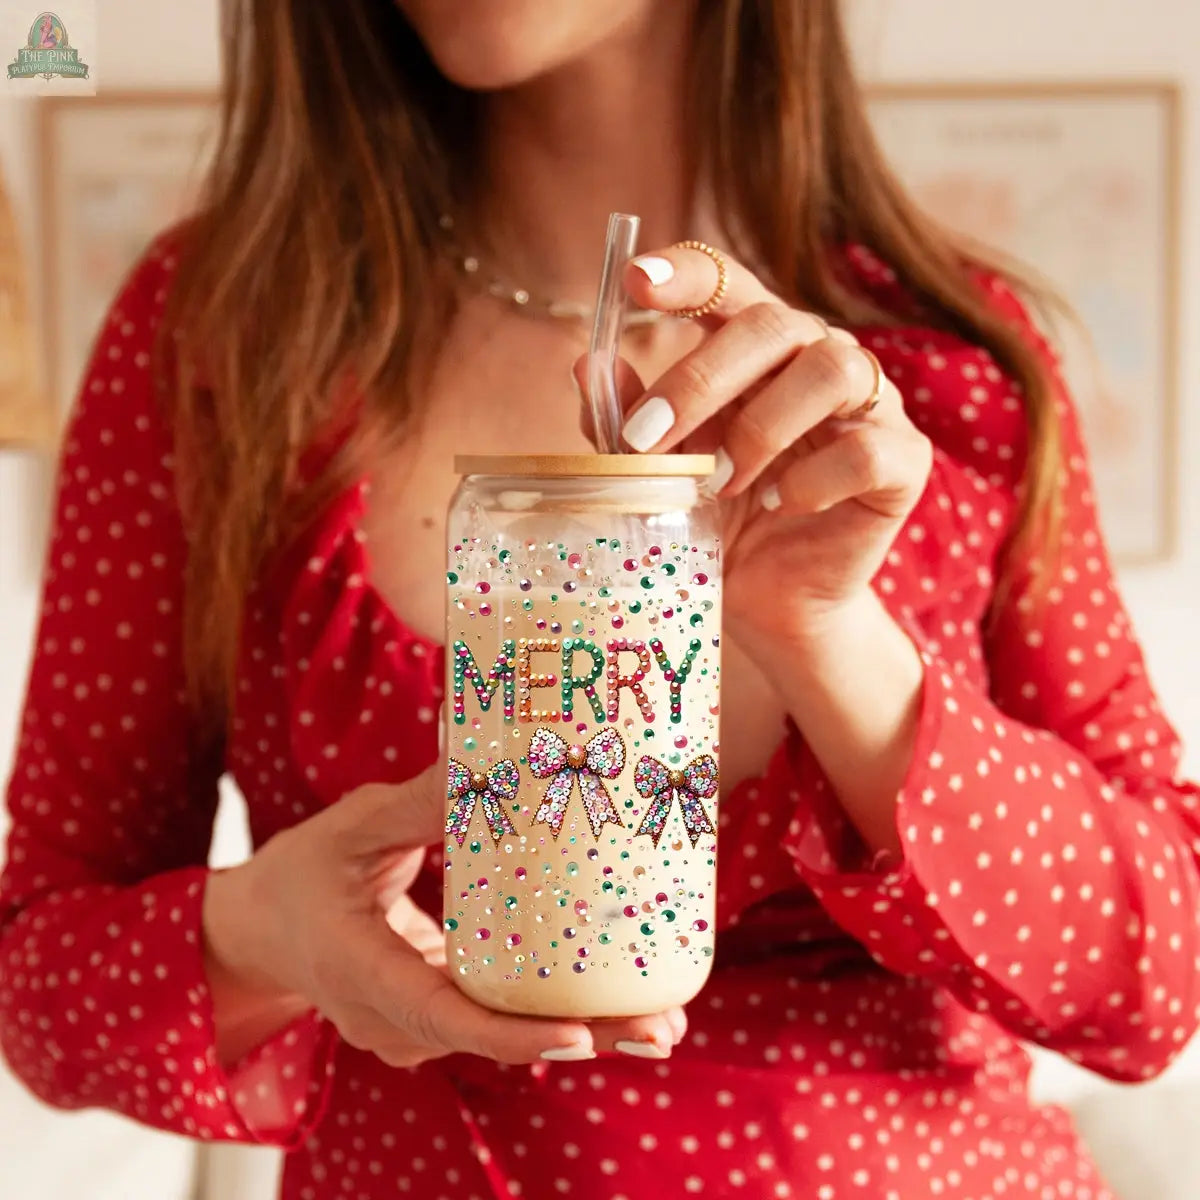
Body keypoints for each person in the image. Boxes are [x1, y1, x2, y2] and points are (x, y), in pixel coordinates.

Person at [2, 2, 1197, 1198]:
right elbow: (37, 979)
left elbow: (1165, 977)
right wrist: (267, 930)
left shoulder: (955, 371)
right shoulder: (223, 342)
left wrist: (831, 638)